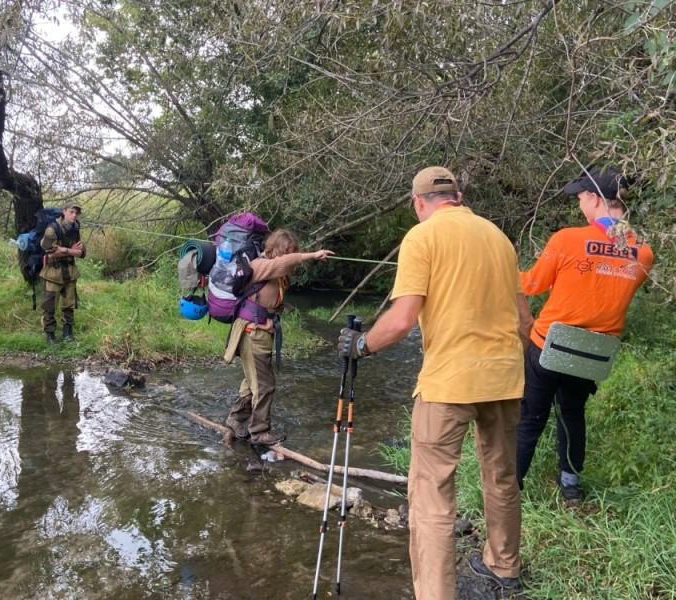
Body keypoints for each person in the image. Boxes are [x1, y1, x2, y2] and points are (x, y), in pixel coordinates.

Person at [338, 167, 533, 599]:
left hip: (447, 383)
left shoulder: (421, 238)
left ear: (418, 203)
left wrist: (361, 345)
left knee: (431, 494)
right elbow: (525, 321)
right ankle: (505, 565)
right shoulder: (499, 238)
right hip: (505, 379)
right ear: (458, 196)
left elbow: (403, 319)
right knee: (502, 476)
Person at [516, 166, 654, 501]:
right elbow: (612, 257)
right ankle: (571, 486)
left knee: (531, 417)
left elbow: (531, 285)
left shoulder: (567, 240)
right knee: (572, 414)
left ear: (594, 198)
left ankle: (510, 486)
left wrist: (504, 270)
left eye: (580, 197)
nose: (579, 204)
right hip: (593, 354)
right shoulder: (644, 252)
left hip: (550, 345)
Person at [223, 229, 333, 445]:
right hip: (252, 334)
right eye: (289, 251)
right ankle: (259, 432)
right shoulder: (262, 265)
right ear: (279, 250)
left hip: (259, 332)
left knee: (252, 380)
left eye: (294, 251)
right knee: (264, 385)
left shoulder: (274, 272)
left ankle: (236, 419)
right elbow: (284, 263)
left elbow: (270, 296)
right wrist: (310, 255)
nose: (291, 256)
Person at [39, 200, 85, 344]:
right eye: (71, 212)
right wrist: (72, 252)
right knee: (49, 306)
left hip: (70, 272)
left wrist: (64, 250)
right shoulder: (52, 229)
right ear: (64, 211)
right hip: (53, 272)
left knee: (69, 305)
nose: (74, 215)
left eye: (76, 213)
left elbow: (82, 253)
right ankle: (50, 335)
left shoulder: (76, 228)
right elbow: (50, 253)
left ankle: (67, 333)